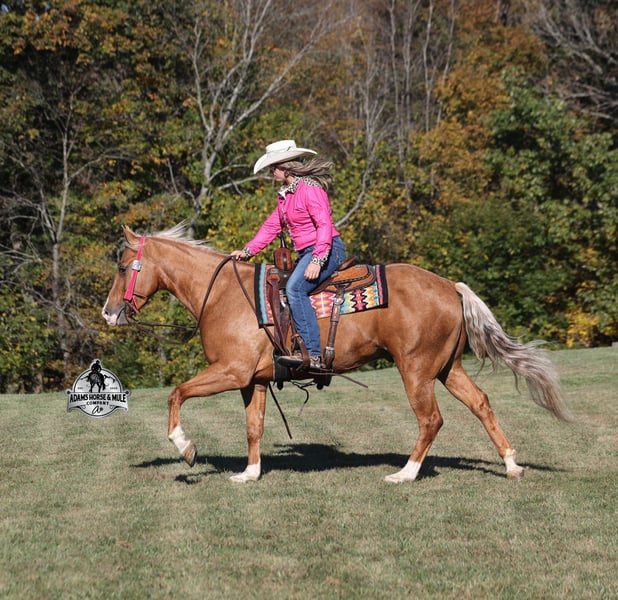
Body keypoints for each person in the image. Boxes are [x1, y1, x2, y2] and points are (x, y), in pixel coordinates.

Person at [231, 140, 346, 371]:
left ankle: (313, 355)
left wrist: (317, 260)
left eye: (273, 168)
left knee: (295, 289)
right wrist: (247, 251)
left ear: (286, 168)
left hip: (328, 249)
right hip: (307, 252)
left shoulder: (310, 189)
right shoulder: (286, 196)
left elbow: (324, 224)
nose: (271, 172)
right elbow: (271, 226)